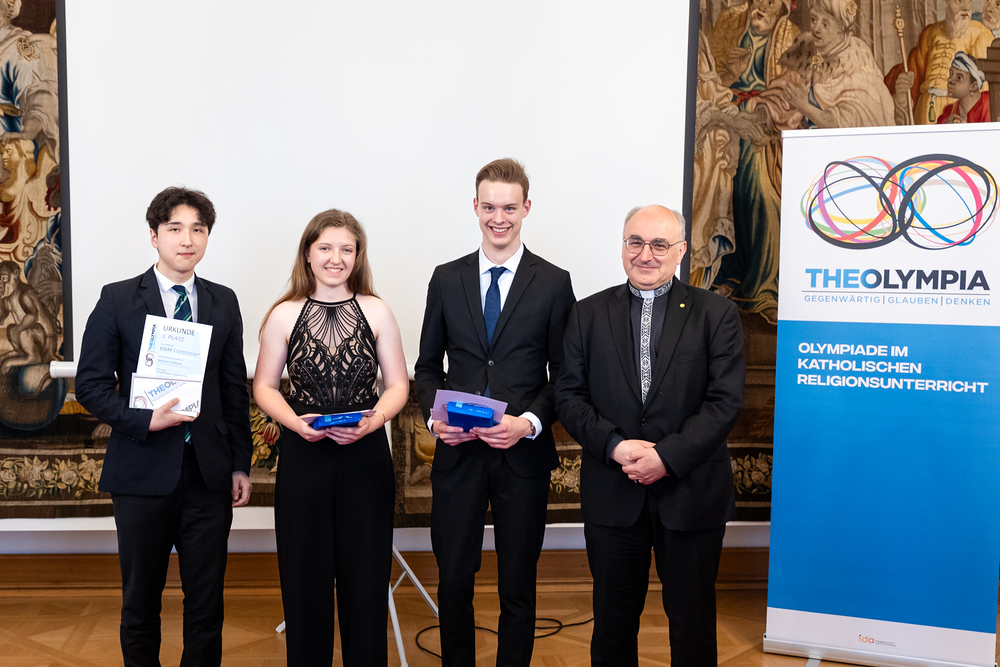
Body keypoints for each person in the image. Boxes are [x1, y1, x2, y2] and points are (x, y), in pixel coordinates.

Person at [556, 205, 744, 667]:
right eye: (635, 242)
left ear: (681, 251)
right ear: (623, 246)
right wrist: (615, 446)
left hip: (691, 493)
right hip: (613, 493)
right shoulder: (586, 313)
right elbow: (568, 396)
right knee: (613, 625)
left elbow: (724, 402)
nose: (646, 254)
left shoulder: (716, 314)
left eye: (659, 244)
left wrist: (667, 457)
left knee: (692, 624)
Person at [75, 187, 253, 666]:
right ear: (154, 236)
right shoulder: (117, 299)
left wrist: (240, 464)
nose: (187, 239)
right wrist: (144, 419)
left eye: (198, 229)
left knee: (206, 604)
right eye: (175, 228)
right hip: (141, 472)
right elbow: (90, 385)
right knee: (140, 602)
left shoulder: (223, 301)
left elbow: (233, 390)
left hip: (209, 474)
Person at [414, 158, 575, 666]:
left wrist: (527, 424)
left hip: (521, 457)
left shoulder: (554, 282)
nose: (498, 218)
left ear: (526, 208)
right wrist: (435, 420)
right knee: (454, 578)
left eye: (509, 208)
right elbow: (426, 368)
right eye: (489, 207)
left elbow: (564, 376)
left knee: (518, 583)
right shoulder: (446, 278)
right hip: (458, 454)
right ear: (475, 207)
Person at [253, 209, 408, 666]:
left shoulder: (377, 310)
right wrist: (295, 423)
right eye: (325, 248)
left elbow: (398, 385)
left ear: (358, 256)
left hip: (366, 458)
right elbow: (264, 387)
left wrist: (375, 420)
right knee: (304, 582)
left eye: (346, 249)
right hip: (305, 456)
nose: (335, 258)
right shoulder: (284, 314)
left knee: (366, 581)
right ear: (307, 252)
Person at [716, 0, 894, 324]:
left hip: (837, 162)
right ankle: (750, 277)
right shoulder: (807, 49)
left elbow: (855, 119)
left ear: (842, 25)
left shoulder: (855, 57)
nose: (818, 29)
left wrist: (807, 109)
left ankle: (774, 286)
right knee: (751, 158)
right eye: (815, 20)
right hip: (796, 144)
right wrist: (760, 114)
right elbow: (781, 93)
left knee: (769, 184)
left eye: (826, 23)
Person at [885, 0, 993, 124]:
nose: (966, 7)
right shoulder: (930, 32)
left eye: (969, 1)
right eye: (959, 1)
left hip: (955, 111)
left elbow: (981, 87)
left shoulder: (981, 33)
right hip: (925, 110)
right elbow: (915, 75)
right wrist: (902, 89)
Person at [936, 52, 991, 123]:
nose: (950, 80)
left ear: (974, 86)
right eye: (951, 74)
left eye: (959, 78)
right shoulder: (950, 111)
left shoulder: (989, 105)